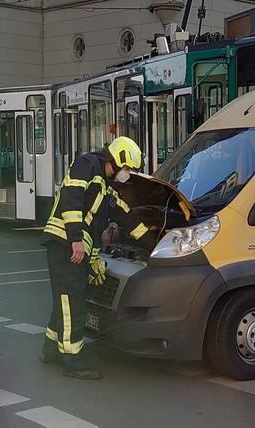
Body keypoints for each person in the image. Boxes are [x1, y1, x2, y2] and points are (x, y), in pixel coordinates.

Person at [40, 136, 156, 380]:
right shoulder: (87, 165)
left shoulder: (106, 186)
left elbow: (127, 218)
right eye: (128, 169)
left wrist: (155, 243)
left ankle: (50, 348)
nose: (128, 174)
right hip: (65, 243)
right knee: (72, 302)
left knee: (65, 298)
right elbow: (71, 200)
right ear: (118, 160)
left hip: (71, 246)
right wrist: (75, 240)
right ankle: (72, 360)